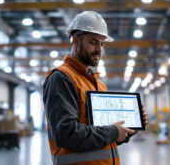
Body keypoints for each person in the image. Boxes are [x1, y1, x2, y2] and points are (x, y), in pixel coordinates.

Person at [43, 11, 148, 165]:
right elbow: (67, 134)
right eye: (93, 42)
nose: (99, 49)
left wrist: (129, 129)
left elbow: (103, 138)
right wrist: (112, 131)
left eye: (102, 44)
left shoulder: (98, 84)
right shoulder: (61, 78)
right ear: (76, 41)